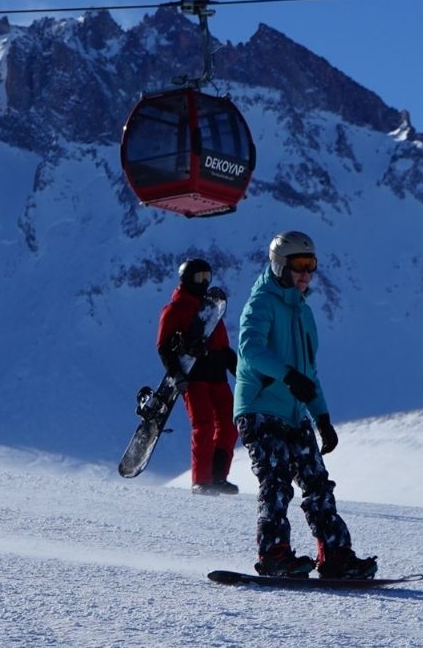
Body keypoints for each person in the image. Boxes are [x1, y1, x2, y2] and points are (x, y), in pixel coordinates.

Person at [232, 230, 378, 579]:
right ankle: (274, 554)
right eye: (298, 265)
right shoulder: (261, 303)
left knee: (317, 483)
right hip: (260, 408)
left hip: (295, 412)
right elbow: (251, 351)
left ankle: (336, 554)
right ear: (280, 265)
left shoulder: (304, 314)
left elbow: (309, 372)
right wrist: (287, 375)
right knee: (277, 480)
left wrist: (322, 418)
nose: (305, 273)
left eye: (311, 266)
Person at [157, 258, 239, 496]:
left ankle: (218, 477)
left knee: (229, 425)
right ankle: (201, 480)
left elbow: (223, 348)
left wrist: (242, 374)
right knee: (203, 426)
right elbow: (163, 346)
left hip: (217, 376)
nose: (203, 283)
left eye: (207, 277)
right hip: (194, 377)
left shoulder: (211, 310)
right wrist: (175, 374)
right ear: (186, 279)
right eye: (198, 278)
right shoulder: (175, 309)